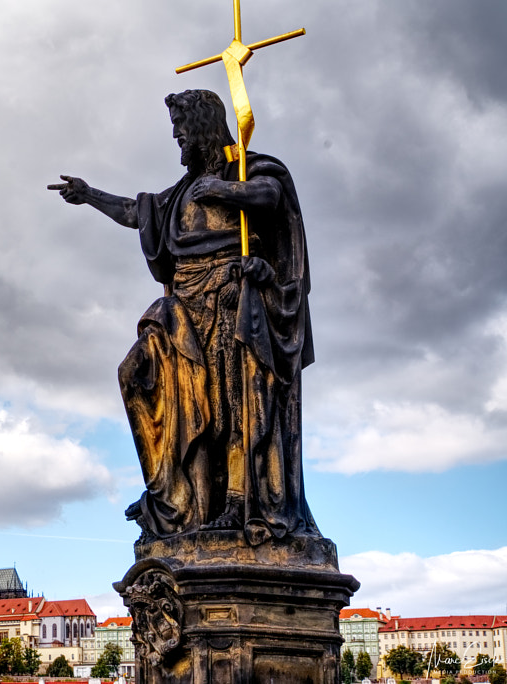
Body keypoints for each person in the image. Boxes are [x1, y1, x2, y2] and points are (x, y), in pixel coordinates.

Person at [49, 89, 317, 545]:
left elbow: (270, 197)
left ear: (202, 129)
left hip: (234, 302)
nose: (177, 140)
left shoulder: (250, 169)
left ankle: (237, 504)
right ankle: (171, 496)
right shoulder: (179, 196)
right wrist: (89, 194)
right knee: (138, 373)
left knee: (236, 408)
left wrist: (225, 189)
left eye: (181, 130)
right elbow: (137, 212)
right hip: (185, 308)